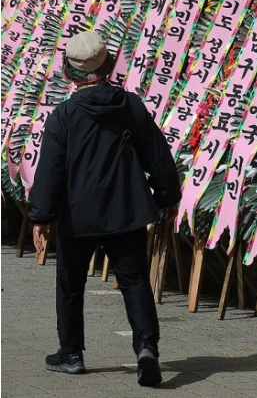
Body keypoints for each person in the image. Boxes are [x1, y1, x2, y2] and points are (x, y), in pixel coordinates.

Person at [28, 30, 182, 387]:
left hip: (77, 214)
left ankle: (71, 354)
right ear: (107, 66)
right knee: (134, 280)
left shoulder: (64, 115)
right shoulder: (130, 106)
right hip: (125, 209)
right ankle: (146, 348)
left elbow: (50, 171)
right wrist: (167, 197)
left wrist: (41, 217)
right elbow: (157, 155)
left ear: (69, 72)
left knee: (70, 283)